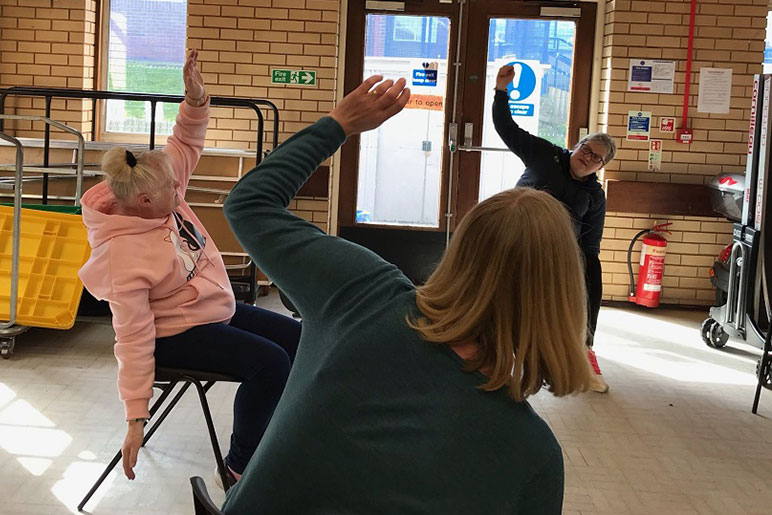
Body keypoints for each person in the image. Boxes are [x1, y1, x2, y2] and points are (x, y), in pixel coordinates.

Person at [219, 75, 593, 514]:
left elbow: (249, 204)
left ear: (459, 250)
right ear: (563, 299)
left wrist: (339, 123)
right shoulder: (532, 456)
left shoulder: (361, 292)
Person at [78, 49, 301, 487]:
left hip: (210, 309)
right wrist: (135, 416)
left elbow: (184, 143)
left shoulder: (158, 182)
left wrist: (196, 100)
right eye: (172, 192)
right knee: (270, 363)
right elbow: (134, 338)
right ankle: (239, 467)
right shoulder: (122, 257)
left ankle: (281, 431)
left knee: (301, 339)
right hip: (172, 336)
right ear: (144, 202)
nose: (181, 193)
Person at [493, 64, 617, 394]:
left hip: (557, 250)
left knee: (591, 270)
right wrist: (501, 90)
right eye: (586, 150)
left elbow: (590, 246)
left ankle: (584, 347)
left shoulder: (594, 196)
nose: (588, 158)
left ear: (601, 167)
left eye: (597, 159)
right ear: (576, 146)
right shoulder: (545, 155)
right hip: (515, 234)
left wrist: (582, 273)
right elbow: (507, 128)